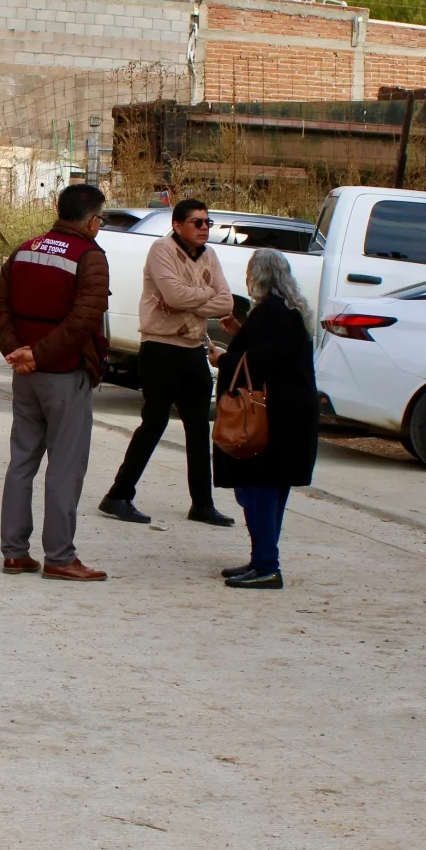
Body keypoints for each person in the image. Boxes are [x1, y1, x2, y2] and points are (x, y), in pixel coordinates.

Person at [0, 183, 110, 582]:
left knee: (22, 461)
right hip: (64, 374)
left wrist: (17, 352)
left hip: (26, 375)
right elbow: (82, 322)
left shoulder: (24, 249)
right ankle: (60, 556)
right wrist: (38, 354)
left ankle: (15, 553)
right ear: (92, 220)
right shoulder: (89, 257)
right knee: (65, 467)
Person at [98, 198, 237, 527]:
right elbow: (173, 297)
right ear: (178, 225)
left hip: (192, 348)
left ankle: (202, 503)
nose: (204, 228)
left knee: (198, 427)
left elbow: (227, 302)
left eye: (208, 223)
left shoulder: (210, 255)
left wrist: (189, 299)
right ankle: (118, 495)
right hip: (161, 347)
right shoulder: (162, 251)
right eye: (197, 223)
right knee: (154, 422)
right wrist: (202, 296)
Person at [213, 248, 317, 590]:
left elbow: (259, 362)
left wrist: (223, 358)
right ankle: (262, 558)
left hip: (271, 418)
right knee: (273, 491)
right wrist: (240, 332)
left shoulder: (271, 313)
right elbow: (271, 353)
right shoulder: (289, 310)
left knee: (256, 487)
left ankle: (267, 565)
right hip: (292, 416)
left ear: (257, 277)